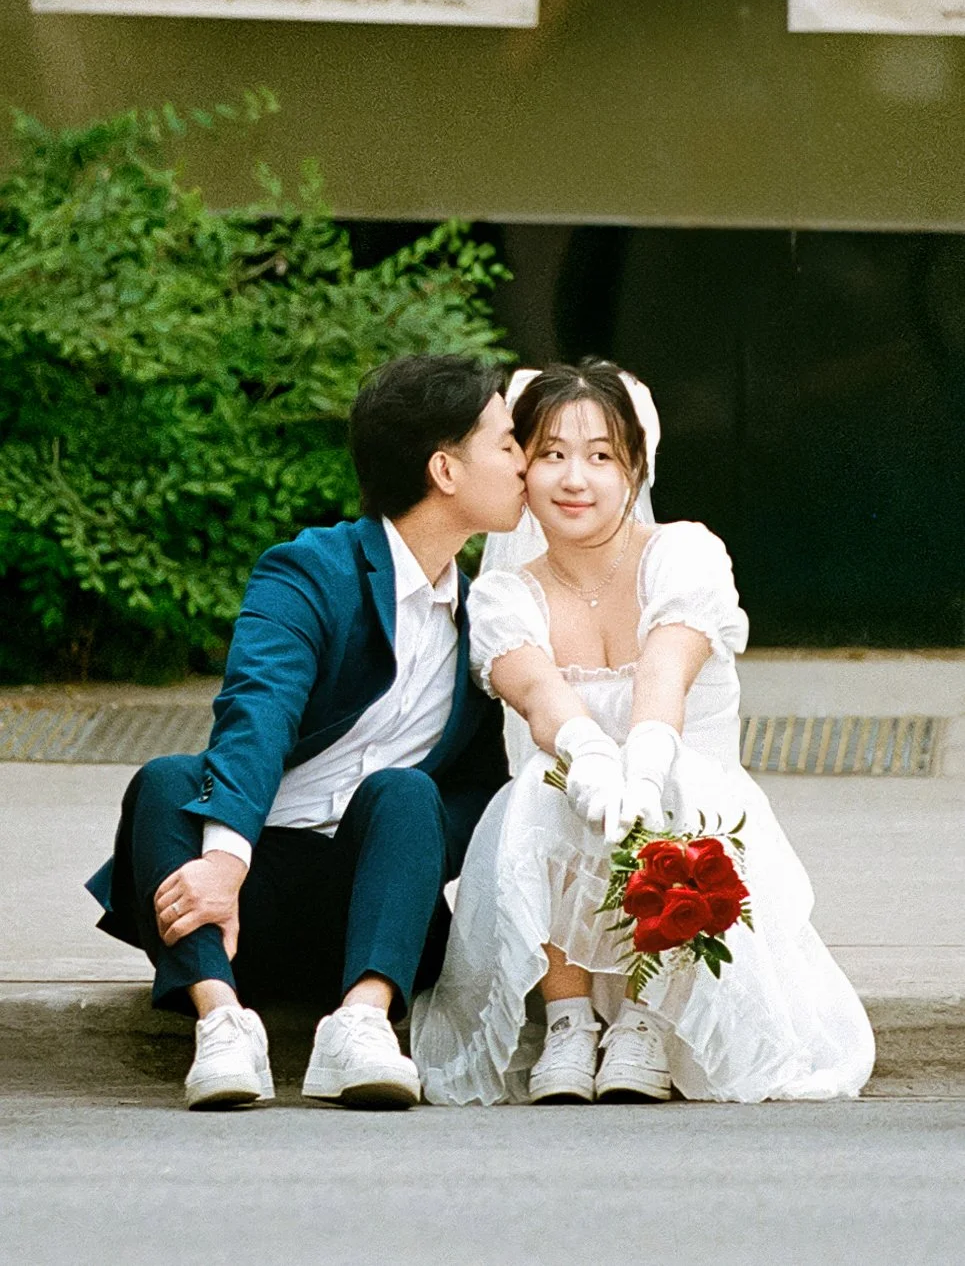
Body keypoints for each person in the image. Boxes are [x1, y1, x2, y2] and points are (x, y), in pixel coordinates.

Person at [410, 361, 876, 1104]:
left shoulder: (685, 552)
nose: (575, 478)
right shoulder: (503, 592)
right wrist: (591, 753)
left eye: (600, 456)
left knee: (672, 777)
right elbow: (537, 692)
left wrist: (642, 761)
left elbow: (666, 673)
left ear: (635, 465)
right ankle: (566, 1019)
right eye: (553, 453)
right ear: (523, 466)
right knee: (548, 775)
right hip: (565, 822)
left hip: (696, 820)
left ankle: (645, 1019)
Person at [86, 354, 526, 1110]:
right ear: (445, 469)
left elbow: (479, 788)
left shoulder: (487, 617)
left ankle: (360, 1024)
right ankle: (221, 1024)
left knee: (405, 791)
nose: (524, 461)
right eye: (508, 442)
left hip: (375, 910)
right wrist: (224, 861)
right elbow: (256, 712)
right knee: (165, 778)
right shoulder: (309, 570)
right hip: (239, 903)